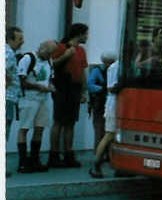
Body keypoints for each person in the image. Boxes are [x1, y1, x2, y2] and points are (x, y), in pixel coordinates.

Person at [49, 23, 89, 168]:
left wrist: (84, 91)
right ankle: (54, 155)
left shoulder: (82, 50)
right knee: (58, 121)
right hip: (62, 87)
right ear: (78, 34)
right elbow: (52, 64)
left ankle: (68, 154)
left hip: (75, 88)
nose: (87, 37)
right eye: (86, 34)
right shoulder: (61, 47)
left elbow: (83, 71)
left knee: (71, 122)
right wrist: (66, 55)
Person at [16, 40, 57, 173]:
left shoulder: (49, 61)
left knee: (40, 128)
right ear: (41, 47)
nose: (49, 55)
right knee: (25, 128)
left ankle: (35, 160)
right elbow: (21, 82)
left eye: (52, 53)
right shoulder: (28, 58)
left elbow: (50, 78)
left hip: (43, 98)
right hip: (29, 98)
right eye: (48, 52)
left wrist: (50, 86)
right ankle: (23, 162)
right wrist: (38, 86)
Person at [89, 57, 118, 178]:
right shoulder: (115, 67)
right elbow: (110, 88)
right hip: (113, 104)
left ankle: (116, 165)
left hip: (117, 104)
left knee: (113, 136)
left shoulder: (120, 66)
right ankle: (96, 165)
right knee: (108, 135)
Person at [5, 26, 24, 176]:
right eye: (19, 39)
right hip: (7, 97)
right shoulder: (8, 52)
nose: (22, 42)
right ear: (10, 39)